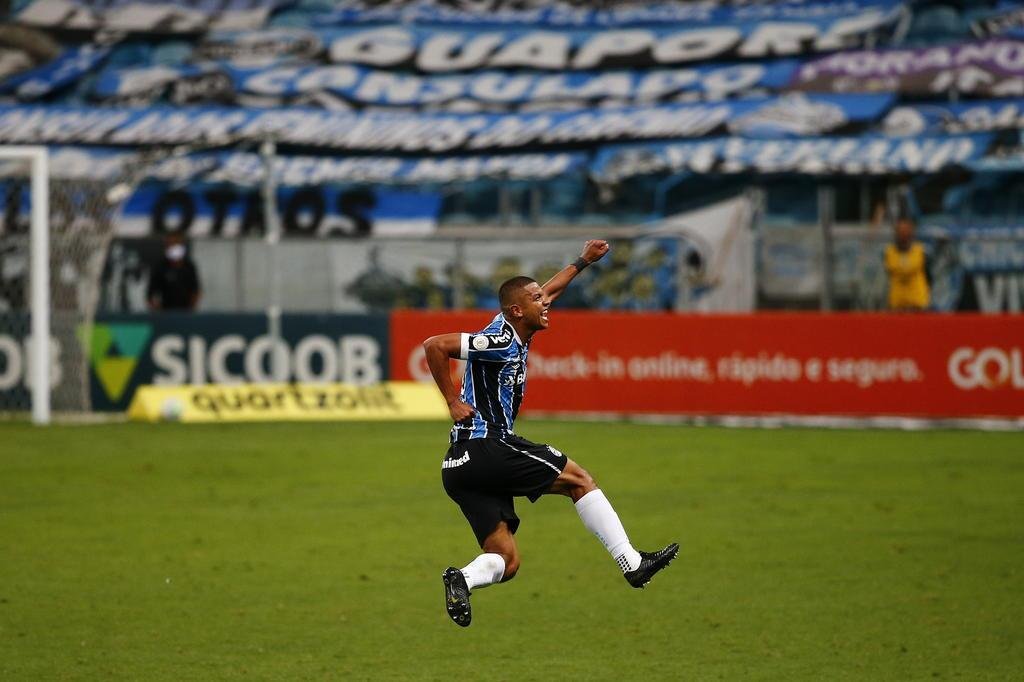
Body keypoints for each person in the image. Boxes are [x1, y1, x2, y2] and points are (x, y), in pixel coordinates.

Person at [422, 240, 678, 628]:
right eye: (537, 299)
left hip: (458, 466)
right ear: (517, 311)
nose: (546, 303)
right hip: (487, 444)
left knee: (506, 560)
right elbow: (434, 346)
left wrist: (583, 261)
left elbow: (549, 291)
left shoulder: (513, 322)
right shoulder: (500, 341)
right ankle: (631, 562)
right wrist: (452, 401)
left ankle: (463, 579)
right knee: (579, 480)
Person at [883, 217, 930, 312]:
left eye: (906, 230)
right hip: (897, 301)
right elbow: (891, 269)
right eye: (900, 231)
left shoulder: (920, 250)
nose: (903, 234)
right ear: (896, 233)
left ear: (911, 232)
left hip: (917, 300)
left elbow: (917, 268)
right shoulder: (889, 252)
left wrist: (902, 268)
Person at [147, 233, 201, 311]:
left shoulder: (189, 266)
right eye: (171, 244)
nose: (174, 248)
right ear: (167, 247)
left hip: (186, 312)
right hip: (165, 312)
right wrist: (158, 311)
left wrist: (191, 309)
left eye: (176, 244)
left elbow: (196, 291)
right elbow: (151, 294)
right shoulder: (160, 267)